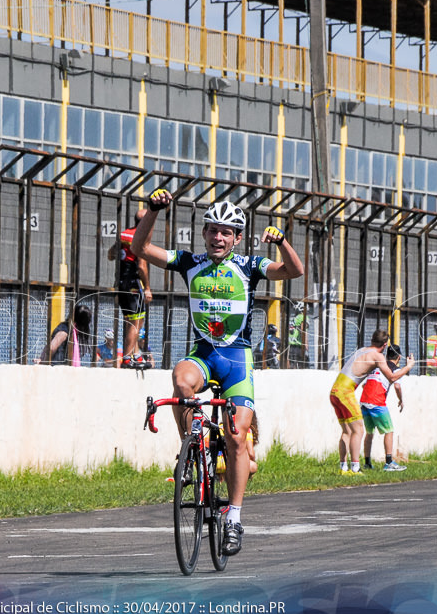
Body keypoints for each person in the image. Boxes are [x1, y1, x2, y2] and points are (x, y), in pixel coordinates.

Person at [132, 189, 304, 557]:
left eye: (227, 232)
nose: (218, 237)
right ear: (204, 233)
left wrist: (283, 241)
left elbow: (294, 271)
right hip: (203, 354)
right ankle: (191, 448)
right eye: (212, 230)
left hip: (237, 360)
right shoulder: (188, 261)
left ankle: (236, 517)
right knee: (181, 380)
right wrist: (154, 211)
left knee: (238, 437)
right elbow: (141, 250)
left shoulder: (249, 267)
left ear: (237, 238)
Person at [329, 330, 415, 475]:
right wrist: (408, 367)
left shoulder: (362, 350)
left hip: (335, 391)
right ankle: (355, 468)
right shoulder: (378, 356)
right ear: (385, 344)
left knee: (347, 431)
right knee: (358, 430)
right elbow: (392, 378)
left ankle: (343, 468)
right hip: (345, 392)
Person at [108, 208, 152, 368]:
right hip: (133, 284)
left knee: (130, 320)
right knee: (137, 322)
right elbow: (141, 266)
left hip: (120, 283)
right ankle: (128, 358)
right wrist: (147, 287)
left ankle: (134, 354)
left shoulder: (123, 234)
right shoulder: (139, 237)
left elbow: (111, 254)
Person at [362, 344, 407, 472]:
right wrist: (401, 400)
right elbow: (397, 386)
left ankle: (367, 463)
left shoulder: (378, 366)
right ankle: (388, 463)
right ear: (399, 357)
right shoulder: (395, 369)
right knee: (389, 431)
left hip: (364, 401)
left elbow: (365, 384)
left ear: (387, 355)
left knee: (369, 432)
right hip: (377, 402)